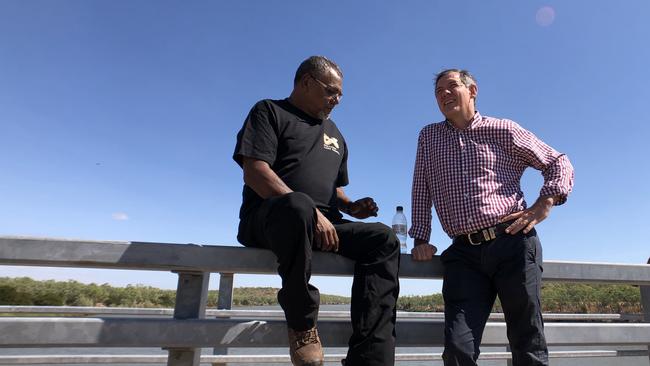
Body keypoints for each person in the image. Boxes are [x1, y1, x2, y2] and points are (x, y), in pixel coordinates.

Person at [233, 56, 400, 366]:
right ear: (307, 81)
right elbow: (254, 171)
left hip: (322, 223)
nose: (336, 100)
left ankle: (370, 357)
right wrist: (310, 211)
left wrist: (352, 206)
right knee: (297, 205)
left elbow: (334, 191)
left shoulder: (335, 134)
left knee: (384, 238)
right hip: (272, 217)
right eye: (331, 91)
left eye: (340, 95)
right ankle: (302, 324)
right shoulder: (269, 111)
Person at [409, 69, 574, 365]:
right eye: (438, 91)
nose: (444, 94)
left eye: (452, 87)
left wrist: (545, 202)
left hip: (512, 241)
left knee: (527, 341)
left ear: (472, 91)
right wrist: (421, 237)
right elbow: (421, 187)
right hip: (463, 253)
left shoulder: (503, 129)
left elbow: (557, 162)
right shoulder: (429, 137)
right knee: (458, 347)